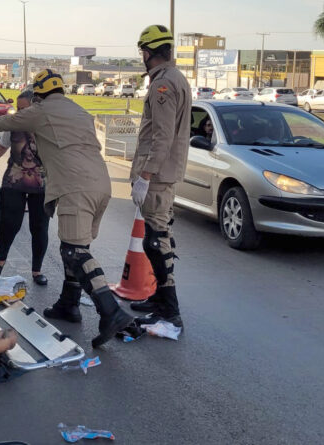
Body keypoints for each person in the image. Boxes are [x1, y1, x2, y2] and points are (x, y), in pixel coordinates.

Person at [0, 69, 133, 349]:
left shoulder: (41, 111)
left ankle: (111, 311)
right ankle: (69, 304)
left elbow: (7, 121)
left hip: (75, 187)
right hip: (102, 185)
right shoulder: (79, 111)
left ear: (39, 93)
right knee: (75, 246)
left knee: (75, 251)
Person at [128, 25, 191, 332]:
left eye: (143, 52)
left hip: (158, 176)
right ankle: (158, 299)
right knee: (156, 238)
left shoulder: (163, 85)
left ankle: (170, 309)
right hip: (163, 174)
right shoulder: (174, 78)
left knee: (157, 241)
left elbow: (162, 136)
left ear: (149, 52)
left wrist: (145, 176)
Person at [0, 90, 49, 286]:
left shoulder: (46, 125)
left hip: (42, 183)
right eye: (18, 109)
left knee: (39, 227)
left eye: (24, 109)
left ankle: (37, 271)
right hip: (14, 179)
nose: (20, 113)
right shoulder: (13, 125)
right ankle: (0, 260)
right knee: (9, 223)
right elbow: (3, 145)